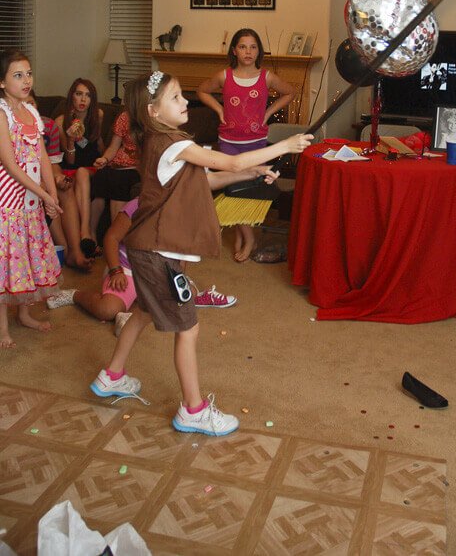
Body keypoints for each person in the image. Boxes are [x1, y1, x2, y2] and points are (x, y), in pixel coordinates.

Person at [90, 70, 312, 436]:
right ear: (152, 110)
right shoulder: (171, 144)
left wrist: (254, 171)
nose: (184, 102)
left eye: (182, 96)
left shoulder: (166, 144)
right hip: (156, 251)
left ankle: (111, 376)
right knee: (188, 329)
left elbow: (208, 179)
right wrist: (284, 147)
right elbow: (230, 161)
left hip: (148, 248)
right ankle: (193, 410)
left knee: (143, 312)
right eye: (175, 97)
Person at [198, 28, 295, 261]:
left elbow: (290, 92)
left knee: (251, 188)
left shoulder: (267, 77)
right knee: (232, 188)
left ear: (259, 50)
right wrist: (219, 108)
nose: (248, 51)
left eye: (253, 47)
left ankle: (244, 235)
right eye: (242, 46)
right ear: (234, 50)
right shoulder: (224, 76)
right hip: (229, 142)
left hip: (256, 143)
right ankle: (247, 236)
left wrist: (268, 112)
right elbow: (202, 90)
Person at [0, 48, 62, 347]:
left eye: (28, 73)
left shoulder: (33, 113)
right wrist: (43, 195)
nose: (26, 80)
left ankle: (24, 314)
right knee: (7, 261)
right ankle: (2, 327)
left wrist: (51, 193)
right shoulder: (2, 114)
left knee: (27, 255)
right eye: (17, 75)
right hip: (9, 202)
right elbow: (11, 166)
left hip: (31, 200)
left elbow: (43, 158)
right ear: (2, 82)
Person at [47, 197, 139, 335]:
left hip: (155, 274)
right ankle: (75, 296)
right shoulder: (135, 207)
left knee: (177, 305)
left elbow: (181, 251)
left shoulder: (178, 211)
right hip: (126, 270)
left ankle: (125, 316)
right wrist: (116, 271)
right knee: (107, 309)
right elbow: (111, 238)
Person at [26, 91, 93, 271]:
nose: (28, 109)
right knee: (46, 194)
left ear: (37, 104)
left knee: (65, 188)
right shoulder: (9, 127)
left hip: (46, 176)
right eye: (23, 105)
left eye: (31, 103)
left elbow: (54, 163)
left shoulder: (48, 126)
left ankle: (75, 251)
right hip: (23, 180)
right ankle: (66, 251)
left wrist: (58, 178)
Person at [55, 78, 104, 257]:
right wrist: (69, 138)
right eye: (79, 94)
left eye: (88, 95)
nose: (83, 100)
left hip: (91, 167)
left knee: (83, 172)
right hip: (71, 167)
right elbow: (69, 160)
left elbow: (99, 145)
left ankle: (84, 234)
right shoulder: (61, 121)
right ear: (72, 97)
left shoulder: (97, 115)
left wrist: (105, 159)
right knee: (78, 175)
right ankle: (84, 237)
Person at [90, 108, 140, 236]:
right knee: (100, 177)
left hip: (136, 167)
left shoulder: (156, 117)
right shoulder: (125, 116)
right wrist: (104, 159)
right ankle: (91, 236)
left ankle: (115, 238)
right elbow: (113, 146)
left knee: (118, 181)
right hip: (116, 164)